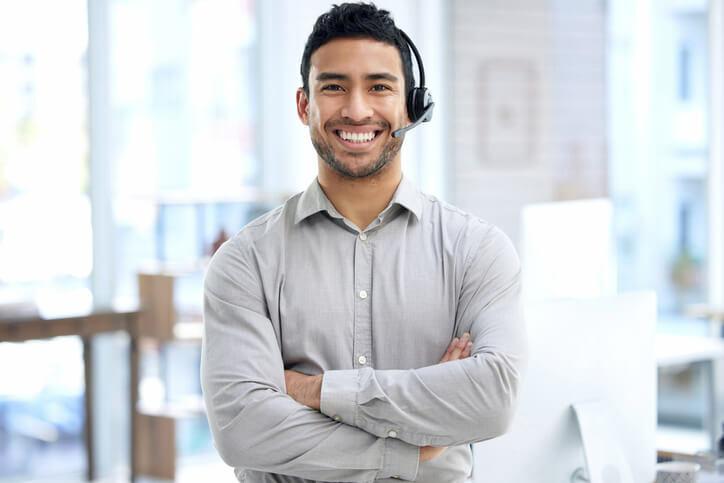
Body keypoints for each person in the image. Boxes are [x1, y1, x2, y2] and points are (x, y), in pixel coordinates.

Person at [201, 3, 527, 482]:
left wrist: (316, 392)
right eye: (333, 86)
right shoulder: (244, 262)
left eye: (379, 86)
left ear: (412, 106)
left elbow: (494, 400)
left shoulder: (477, 251)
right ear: (303, 105)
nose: (356, 109)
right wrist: (417, 445)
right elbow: (242, 430)